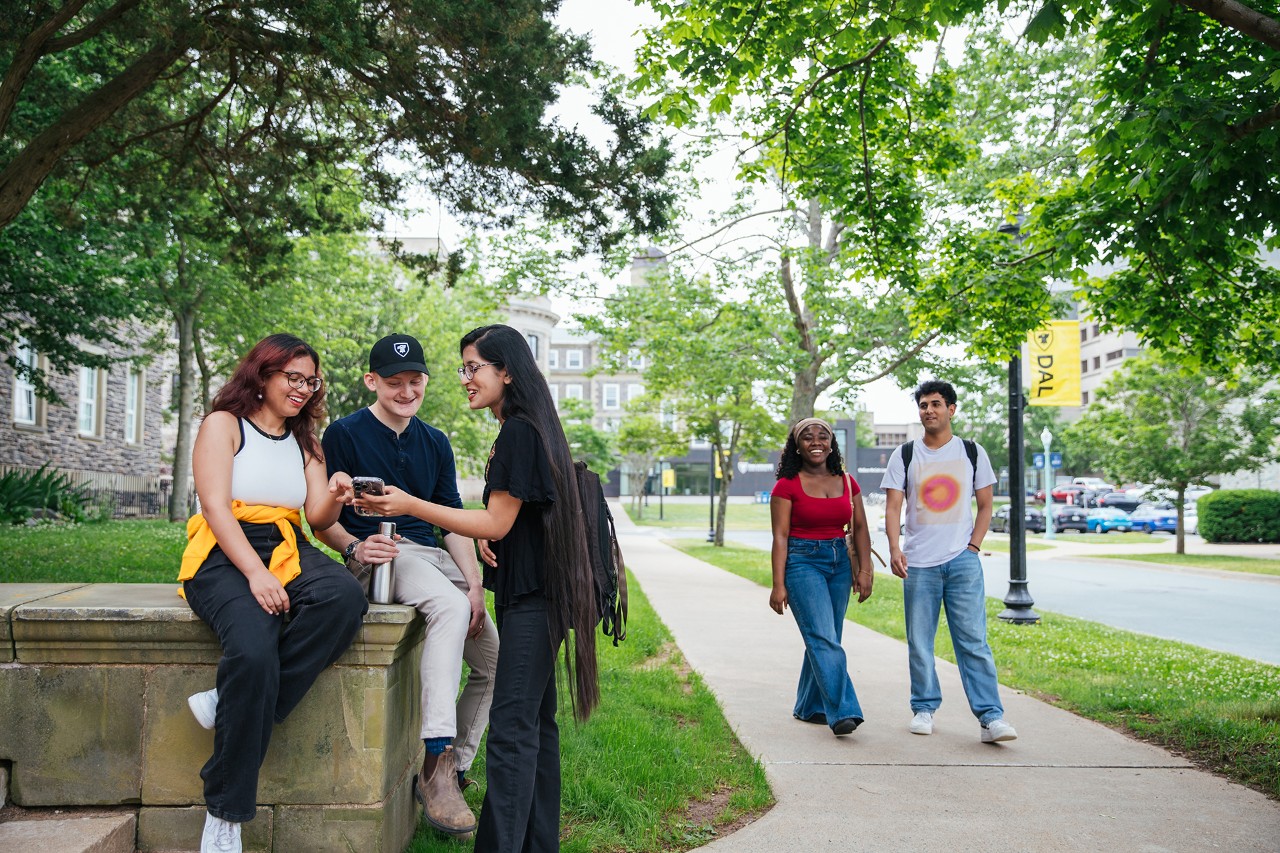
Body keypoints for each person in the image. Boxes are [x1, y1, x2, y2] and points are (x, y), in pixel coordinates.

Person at [354, 323, 598, 852]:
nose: (465, 378)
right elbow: (514, 521)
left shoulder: (518, 431)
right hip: (533, 590)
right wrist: (495, 541)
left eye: (474, 368)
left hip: (535, 600)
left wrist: (410, 505)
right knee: (535, 724)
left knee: (510, 731)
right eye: (462, 368)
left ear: (506, 371)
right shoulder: (527, 427)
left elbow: (496, 521)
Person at [178, 334, 368, 853]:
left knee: (345, 599)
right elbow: (215, 506)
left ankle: (233, 700)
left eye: (311, 380)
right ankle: (225, 815)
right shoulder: (224, 425)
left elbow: (315, 518)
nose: (304, 389)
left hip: (286, 544)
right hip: (224, 550)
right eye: (294, 378)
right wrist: (256, 575)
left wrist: (334, 496)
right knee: (254, 651)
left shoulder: (306, 440)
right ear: (262, 374)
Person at [313, 333, 499, 837]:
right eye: (394, 382)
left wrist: (475, 585)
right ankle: (436, 758)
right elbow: (321, 517)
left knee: (493, 659)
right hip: (384, 555)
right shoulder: (344, 435)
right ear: (372, 381)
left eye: (414, 381)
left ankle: (454, 768)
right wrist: (352, 546)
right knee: (447, 607)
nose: (406, 391)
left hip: (434, 553)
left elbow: (452, 520)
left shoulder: (435, 440)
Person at [880, 379, 1018, 743]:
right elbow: (894, 506)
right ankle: (923, 708)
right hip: (919, 563)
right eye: (923, 405)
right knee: (920, 641)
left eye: (936, 404)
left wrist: (973, 547)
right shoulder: (905, 454)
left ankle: (991, 718)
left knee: (973, 641)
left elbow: (986, 505)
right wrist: (895, 549)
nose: (929, 410)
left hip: (962, 562)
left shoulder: (971, 452)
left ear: (951, 409)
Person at [768, 417, 874, 736]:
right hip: (802, 562)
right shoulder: (786, 485)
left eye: (823, 436)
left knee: (828, 636)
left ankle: (809, 705)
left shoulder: (847, 481)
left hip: (839, 561)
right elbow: (781, 536)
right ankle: (843, 711)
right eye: (807, 437)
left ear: (832, 442)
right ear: (796, 446)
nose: (816, 441)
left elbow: (860, 528)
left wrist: (864, 569)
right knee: (822, 637)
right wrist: (777, 584)